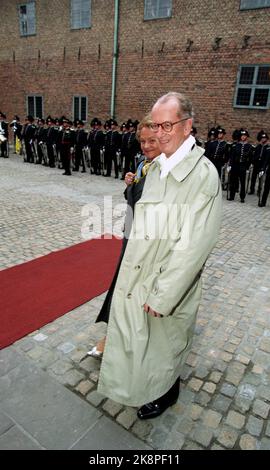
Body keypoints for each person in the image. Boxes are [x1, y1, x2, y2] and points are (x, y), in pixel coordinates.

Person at [97, 92, 222, 419]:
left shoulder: (202, 174)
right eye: (156, 124)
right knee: (143, 344)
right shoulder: (156, 167)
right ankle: (142, 384)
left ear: (187, 126)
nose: (160, 132)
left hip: (165, 284)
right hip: (140, 275)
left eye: (168, 124)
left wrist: (165, 293)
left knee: (165, 345)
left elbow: (195, 244)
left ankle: (166, 392)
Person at [88, 116, 161, 358]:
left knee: (135, 286)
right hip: (131, 232)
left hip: (148, 239)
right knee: (123, 283)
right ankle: (116, 333)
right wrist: (129, 183)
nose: (146, 146)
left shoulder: (165, 169)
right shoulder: (143, 163)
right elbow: (133, 198)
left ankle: (121, 338)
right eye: (142, 141)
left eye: (152, 140)